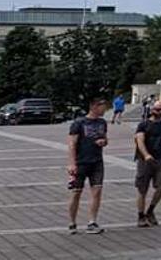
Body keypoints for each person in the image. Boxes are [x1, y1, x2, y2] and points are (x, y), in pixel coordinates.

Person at [65, 98, 111, 234]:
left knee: (97, 192)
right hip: (81, 162)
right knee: (76, 193)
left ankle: (92, 222)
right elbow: (72, 144)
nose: (105, 110)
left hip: (97, 162)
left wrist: (104, 141)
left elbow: (106, 138)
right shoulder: (79, 123)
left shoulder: (102, 122)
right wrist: (72, 163)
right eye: (103, 107)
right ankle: (72, 222)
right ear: (94, 107)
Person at [132, 100, 161, 227]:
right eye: (159, 109)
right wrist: (146, 155)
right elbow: (140, 141)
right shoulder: (143, 125)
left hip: (160, 159)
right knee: (142, 189)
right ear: (152, 110)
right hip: (145, 160)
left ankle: (150, 211)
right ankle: (141, 216)